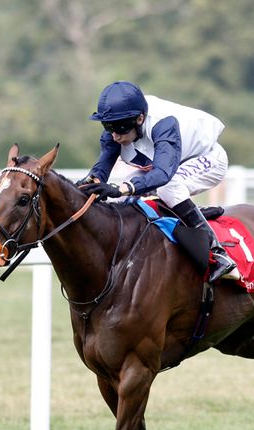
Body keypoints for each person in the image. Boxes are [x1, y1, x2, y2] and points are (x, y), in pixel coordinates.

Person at [78, 81, 237, 283]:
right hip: (166, 166)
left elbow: (162, 174)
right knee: (123, 198)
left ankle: (218, 253)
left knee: (167, 188)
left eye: (120, 129)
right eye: (109, 129)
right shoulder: (117, 125)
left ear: (140, 119)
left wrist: (121, 189)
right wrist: (90, 183)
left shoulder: (163, 123)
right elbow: (102, 167)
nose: (115, 136)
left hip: (206, 159)